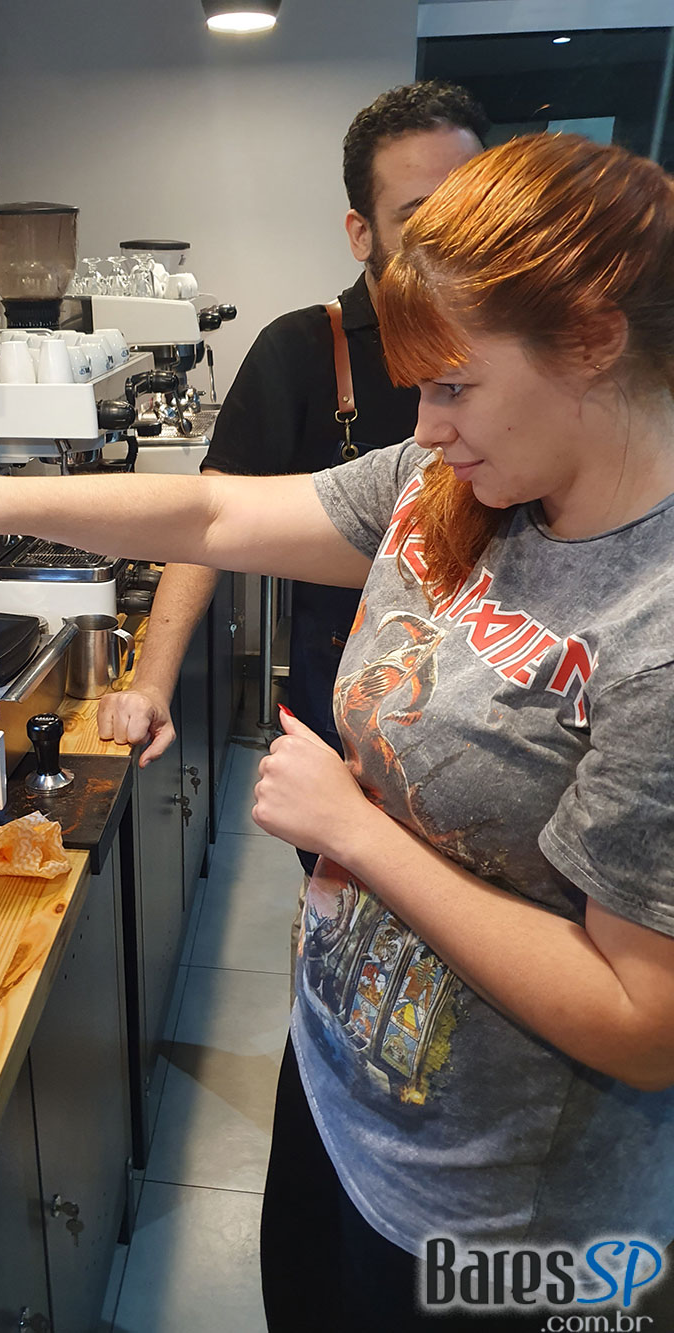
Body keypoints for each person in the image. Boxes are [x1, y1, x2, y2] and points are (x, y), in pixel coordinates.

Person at [0, 133, 674, 1330]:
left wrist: (359, 832)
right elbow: (214, 511)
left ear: (591, 339)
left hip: (499, 1223)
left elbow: (642, 1025)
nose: (428, 424)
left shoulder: (653, 625)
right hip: (343, 1094)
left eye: (454, 385)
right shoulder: (449, 487)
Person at [98, 80, 487, 989]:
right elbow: (215, 516)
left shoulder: (514, 353)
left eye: (471, 207)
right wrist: (151, 679)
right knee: (353, 949)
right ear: (362, 233)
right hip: (343, 726)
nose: (437, 427)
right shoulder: (306, 350)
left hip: (473, 750)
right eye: (420, 217)